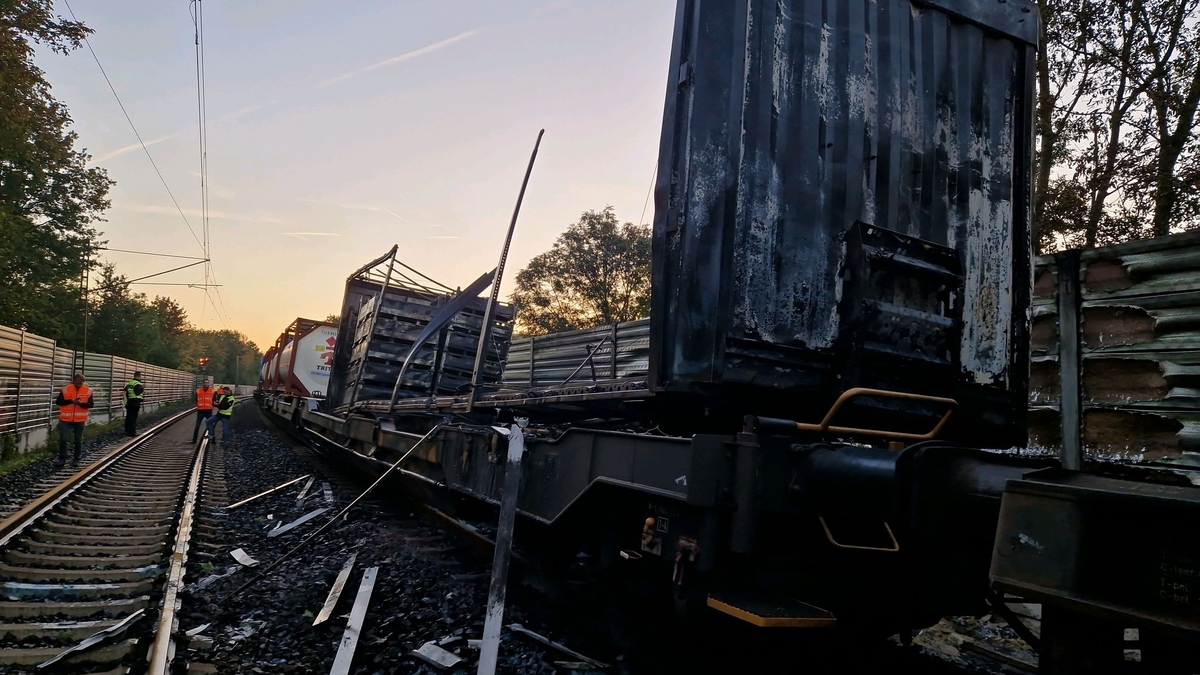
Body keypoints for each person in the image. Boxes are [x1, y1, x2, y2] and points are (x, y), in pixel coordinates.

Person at [55, 373, 94, 465]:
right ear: (73, 381)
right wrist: (71, 401)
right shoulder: (66, 389)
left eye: (81, 383)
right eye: (77, 383)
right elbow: (58, 402)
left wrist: (81, 404)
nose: (79, 385)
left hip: (79, 419)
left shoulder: (88, 391)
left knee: (78, 440)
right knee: (63, 439)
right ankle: (62, 459)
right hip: (65, 419)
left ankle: (76, 459)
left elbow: (91, 404)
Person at [191, 378, 215, 443]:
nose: (205, 384)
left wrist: (211, 406)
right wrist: (198, 405)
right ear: (202, 383)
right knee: (197, 426)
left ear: (208, 383)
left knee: (211, 425)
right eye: (204, 382)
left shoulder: (212, 391)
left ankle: (213, 440)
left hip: (208, 410)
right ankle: (194, 440)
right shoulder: (198, 391)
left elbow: (214, 400)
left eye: (207, 382)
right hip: (200, 410)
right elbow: (196, 399)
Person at [123, 371, 145, 437]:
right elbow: (138, 392)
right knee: (133, 417)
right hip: (135, 402)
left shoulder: (130, 383)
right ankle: (132, 432)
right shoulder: (138, 384)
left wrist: (125, 402)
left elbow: (124, 393)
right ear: (139, 376)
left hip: (129, 402)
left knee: (128, 417)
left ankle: (127, 431)